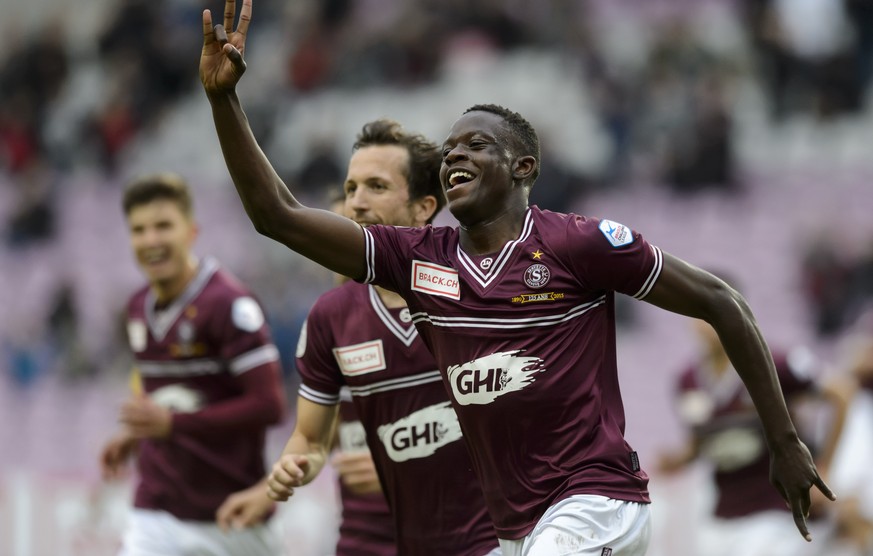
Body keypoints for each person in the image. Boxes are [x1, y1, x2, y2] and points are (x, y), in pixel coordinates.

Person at [199, 1, 834, 553]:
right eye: (449, 150)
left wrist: (784, 442)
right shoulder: (419, 260)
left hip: (596, 500)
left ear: (523, 165)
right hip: (515, 530)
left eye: (476, 144)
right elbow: (276, 216)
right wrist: (224, 100)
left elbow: (723, 302)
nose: (455, 156)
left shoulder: (578, 244)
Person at [221, 118, 499, 554]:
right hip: (371, 540)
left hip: (484, 541)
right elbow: (311, 439)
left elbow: (522, 420)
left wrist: (407, 459)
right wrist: (294, 464)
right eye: (351, 190)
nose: (357, 204)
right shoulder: (331, 318)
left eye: (376, 187)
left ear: (424, 206)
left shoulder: (476, 288)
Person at [99, 172, 286, 555]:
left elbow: (269, 406)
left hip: (229, 514)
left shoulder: (229, 305)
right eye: (139, 230)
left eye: (163, 226)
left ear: (191, 231)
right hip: (156, 510)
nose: (151, 240)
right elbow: (171, 398)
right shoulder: (136, 308)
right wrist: (136, 435)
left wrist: (172, 424)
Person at [657, 273, 848, 556]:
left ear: (733, 310)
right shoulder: (687, 381)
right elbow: (703, 445)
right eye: (696, 312)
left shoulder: (775, 362)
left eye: (709, 310)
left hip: (774, 512)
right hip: (723, 514)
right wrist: (677, 459)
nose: (703, 324)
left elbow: (840, 394)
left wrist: (826, 466)